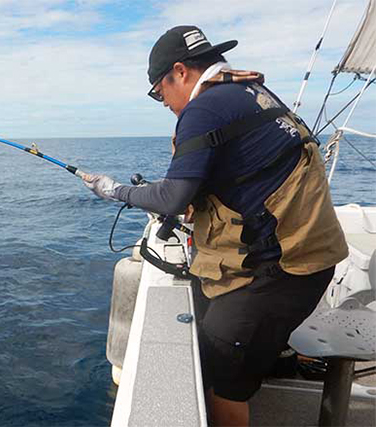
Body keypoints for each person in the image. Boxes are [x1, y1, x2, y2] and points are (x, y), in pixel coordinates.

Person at [83, 26, 348, 426]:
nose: (166, 104)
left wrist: (114, 190)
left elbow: (173, 197)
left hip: (283, 272)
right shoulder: (251, 93)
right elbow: (244, 174)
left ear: (180, 72)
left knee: (221, 373)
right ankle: (265, 356)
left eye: (160, 92)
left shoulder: (203, 109)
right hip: (311, 258)